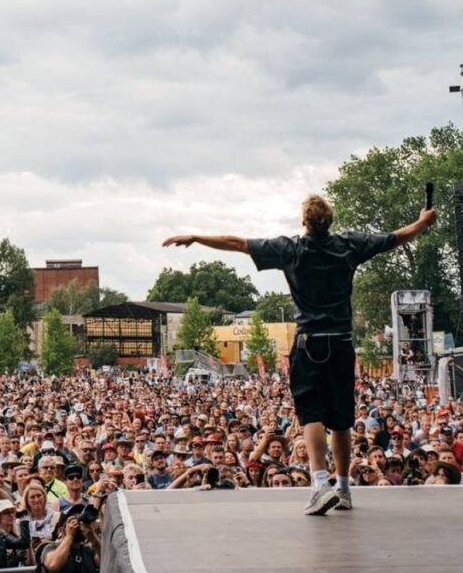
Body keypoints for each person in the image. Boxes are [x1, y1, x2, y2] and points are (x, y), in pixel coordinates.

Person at [164, 193, 436, 515]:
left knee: (312, 415)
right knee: (342, 420)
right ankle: (344, 489)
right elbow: (395, 237)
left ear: (303, 221)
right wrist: (422, 222)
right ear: (330, 220)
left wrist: (196, 237)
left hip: (310, 343)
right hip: (342, 341)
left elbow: (237, 242)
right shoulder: (349, 245)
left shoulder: (290, 249)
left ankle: (320, 484)